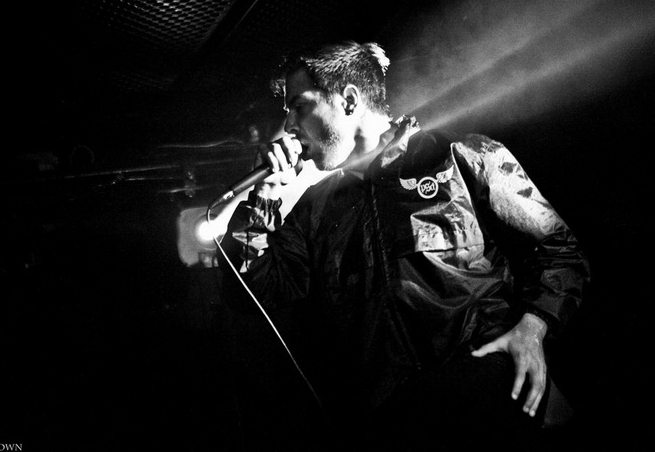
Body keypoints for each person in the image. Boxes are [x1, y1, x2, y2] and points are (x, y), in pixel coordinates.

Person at [219, 41, 590, 451]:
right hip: (398, 428)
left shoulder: (455, 156)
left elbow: (558, 247)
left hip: (490, 398)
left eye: (299, 106)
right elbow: (250, 292)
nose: (289, 125)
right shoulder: (315, 209)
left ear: (349, 100)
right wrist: (266, 195)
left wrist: (533, 329)